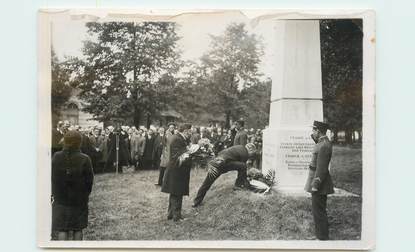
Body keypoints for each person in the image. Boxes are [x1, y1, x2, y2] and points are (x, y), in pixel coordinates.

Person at [51, 130, 94, 240]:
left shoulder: (56, 156)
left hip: (60, 198)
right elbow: (89, 181)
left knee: (62, 228)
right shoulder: (85, 158)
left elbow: (52, 177)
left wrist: (55, 193)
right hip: (79, 199)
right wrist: (84, 195)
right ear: (79, 142)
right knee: (77, 228)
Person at [192, 143, 257, 208]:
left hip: (215, 162)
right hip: (223, 164)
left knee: (206, 183)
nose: (251, 156)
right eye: (252, 153)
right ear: (250, 149)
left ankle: (196, 202)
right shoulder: (245, 153)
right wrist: (248, 184)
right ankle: (238, 185)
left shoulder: (239, 147)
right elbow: (243, 171)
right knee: (243, 166)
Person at [304, 120, 334, 240]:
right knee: (317, 209)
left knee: (319, 210)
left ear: (318, 131)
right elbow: (317, 142)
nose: (312, 132)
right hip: (317, 180)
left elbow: (321, 168)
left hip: (320, 182)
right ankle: (319, 234)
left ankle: (322, 237)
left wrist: (315, 184)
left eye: (314, 130)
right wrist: (315, 136)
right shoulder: (322, 143)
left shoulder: (324, 145)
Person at [161, 123, 192, 221]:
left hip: (176, 169)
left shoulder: (177, 137)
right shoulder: (178, 139)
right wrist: (190, 153)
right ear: (186, 130)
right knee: (177, 192)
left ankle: (170, 214)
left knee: (174, 193)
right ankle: (177, 217)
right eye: (190, 131)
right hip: (177, 170)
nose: (191, 133)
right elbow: (178, 156)